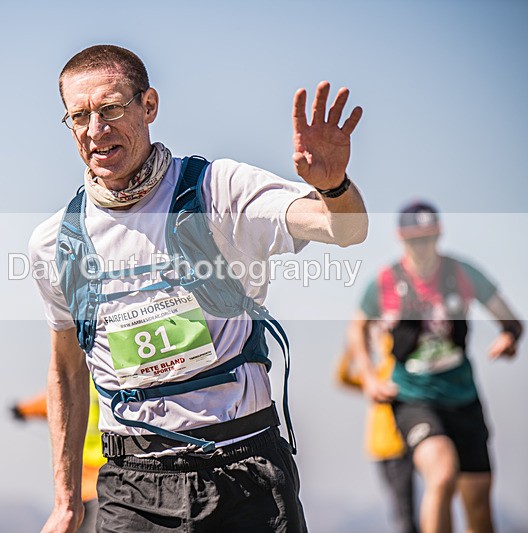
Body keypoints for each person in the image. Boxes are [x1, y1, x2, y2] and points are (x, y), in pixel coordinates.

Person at [29, 44, 368, 533]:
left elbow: (345, 230)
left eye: (111, 109)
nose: (95, 130)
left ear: (149, 106)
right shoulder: (55, 243)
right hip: (132, 488)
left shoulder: (218, 189)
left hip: (244, 473)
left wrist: (334, 188)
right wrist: (65, 501)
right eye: (78, 116)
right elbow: (65, 369)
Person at [347, 201, 522, 533]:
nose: (422, 247)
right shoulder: (385, 281)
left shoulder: (461, 273)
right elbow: (355, 327)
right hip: (414, 399)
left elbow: (511, 322)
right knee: (441, 474)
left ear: (438, 235)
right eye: (415, 240)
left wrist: (510, 339)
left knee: (479, 506)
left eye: (428, 238)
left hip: (463, 398)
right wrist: (369, 378)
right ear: (401, 239)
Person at [336, 339, 418, 533]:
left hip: (398, 449)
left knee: (404, 510)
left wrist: (382, 339)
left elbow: (394, 350)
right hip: (379, 450)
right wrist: (352, 349)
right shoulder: (376, 374)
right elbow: (343, 378)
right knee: (398, 509)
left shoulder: (396, 372)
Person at [11, 378, 106, 533]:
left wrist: (22, 410)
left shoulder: (71, 383)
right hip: (101, 480)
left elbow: (51, 402)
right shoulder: (104, 383)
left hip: (75, 483)